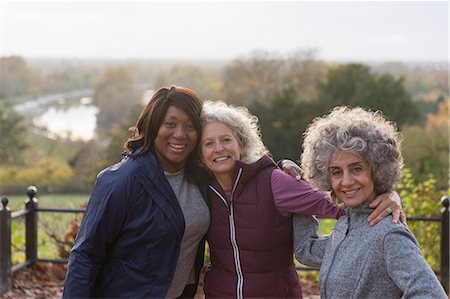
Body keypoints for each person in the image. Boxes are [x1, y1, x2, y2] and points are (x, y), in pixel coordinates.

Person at [199, 100, 403, 298]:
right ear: (200, 153)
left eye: (226, 140)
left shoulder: (274, 182)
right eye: (209, 143)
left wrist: (388, 195)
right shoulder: (201, 188)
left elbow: (343, 202)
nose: (218, 148)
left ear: (241, 144)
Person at [63, 86, 210, 298]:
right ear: (153, 126)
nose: (180, 134)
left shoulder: (201, 178)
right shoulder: (122, 180)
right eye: (170, 124)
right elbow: (85, 255)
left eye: (190, 126)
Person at [293, 106, 447, 298]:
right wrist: (292, 188)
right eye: (336, 172)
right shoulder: (346, 226)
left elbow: (431, 294)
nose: (346, 181)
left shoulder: (389, 234)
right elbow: (306, 250)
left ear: (377, 169)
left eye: (356, 169)